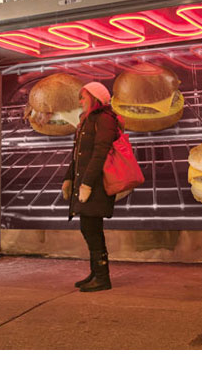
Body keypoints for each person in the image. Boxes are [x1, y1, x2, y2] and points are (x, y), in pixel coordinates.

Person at [62, 82, 119, 292]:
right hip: (85, 184)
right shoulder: (86, 120)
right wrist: (69, 179)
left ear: (95, 98)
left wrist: (86, 183)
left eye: (83, 97)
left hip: (96, 185)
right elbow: (77, 155)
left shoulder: (104, 119)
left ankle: (103, 277)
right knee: (90, 229)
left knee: (91, 230)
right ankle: (96, 273)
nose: (80, 101)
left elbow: (100, 153)